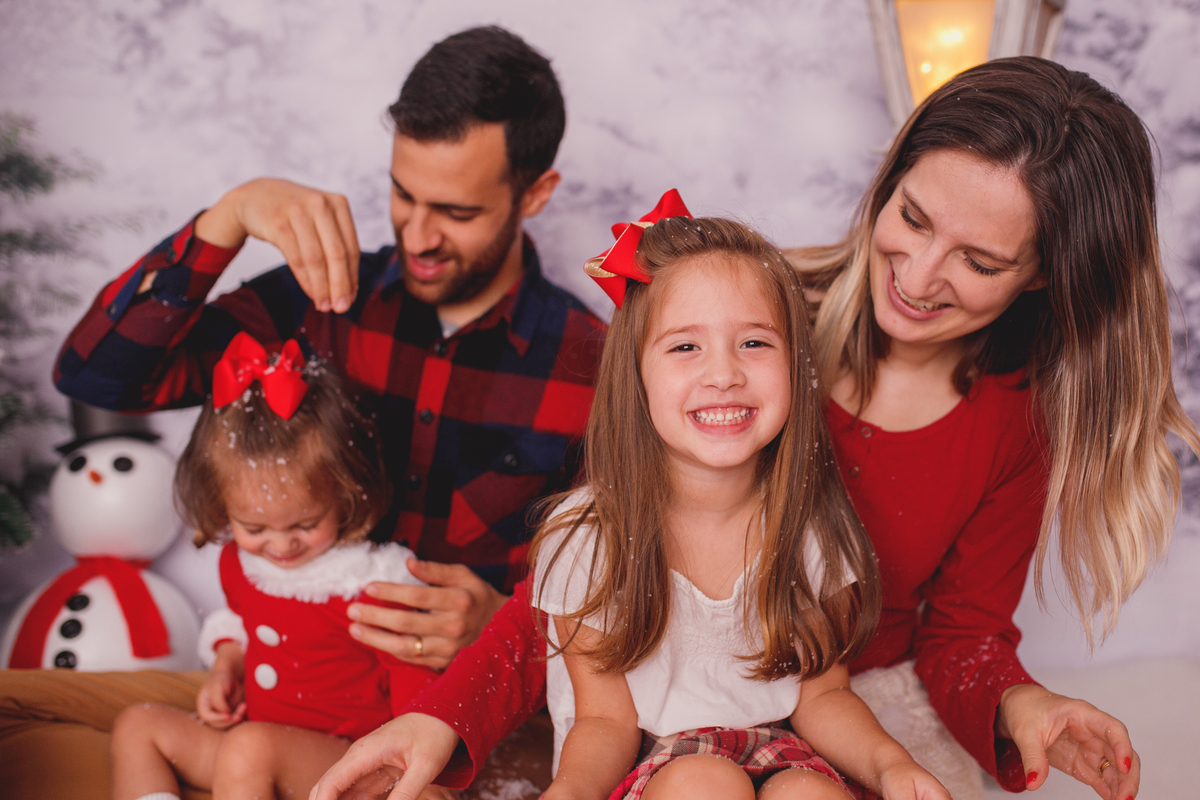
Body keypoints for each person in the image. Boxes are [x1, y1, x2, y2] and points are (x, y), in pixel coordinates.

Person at [311, 57, 1199, 800]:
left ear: (1043, 276)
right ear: (887, 182)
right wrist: (445, 714)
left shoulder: (1012, 423)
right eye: (914, 218)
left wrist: (1022, 707)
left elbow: (959, 639)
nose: (921, 276)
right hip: (656, 712)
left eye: (979, 260)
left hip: (842, 704)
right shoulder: (749, 326)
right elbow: (577, 592)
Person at [0, 24, 603, 800]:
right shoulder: (326, 297)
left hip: (450, 719)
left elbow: (624, 589)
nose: (417, 236)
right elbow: (100, 374)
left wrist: (506, 628)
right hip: (280, 695)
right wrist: (227, 218)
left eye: (454, 211)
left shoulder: (590, 366)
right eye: (403, 194)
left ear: (535, 194)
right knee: (15, 712)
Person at [533, 204, 952, 800]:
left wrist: (890, 765)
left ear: (794, 364)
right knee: (705, 785)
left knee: (812, 796)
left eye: (753, 342)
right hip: (647, 759)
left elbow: (823, 694)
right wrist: (569, 792)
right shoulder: (586, 535)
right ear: (636, 374)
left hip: (784, 750)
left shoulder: (808, 526)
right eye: (685, 348)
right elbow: (605, 719)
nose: (724, 373)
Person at [111, 333, 443, 800]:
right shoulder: (242, 564)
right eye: (254, 526)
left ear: (346, 495)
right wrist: (227, 668)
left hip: (352, 767)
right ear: (220, 504)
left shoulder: (373, 585)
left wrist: (421, 778)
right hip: (252, 748)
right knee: (137, 725)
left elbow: (418, 682)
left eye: (306, 523)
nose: (281, 544)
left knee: (249, 750)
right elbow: (241, 622)